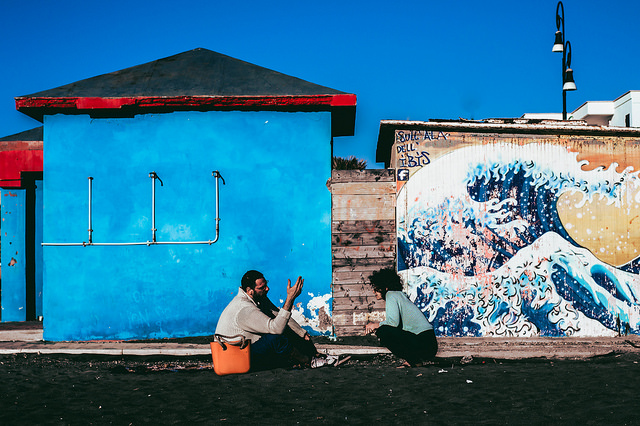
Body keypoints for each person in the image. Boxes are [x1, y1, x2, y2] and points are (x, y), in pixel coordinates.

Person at [215, 270, 336, 370]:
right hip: (236, 355)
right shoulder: (244, 309)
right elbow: (276, 328)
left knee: (285, 327)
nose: (267, 289)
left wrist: (302, 333)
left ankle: (315, 355)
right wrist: (290, 299)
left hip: (246, 348)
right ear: (249, 290)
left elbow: (278, 314)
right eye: (262, 287)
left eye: (266, 284)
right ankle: (310, 361)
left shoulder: (257, 298)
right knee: (276, 337)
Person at [365, 267, 438, 367]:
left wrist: (374, 325)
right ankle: (412, 361)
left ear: (385, 287)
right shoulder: (399, 295)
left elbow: (393, 323)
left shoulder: (391, 295)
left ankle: (414, 361)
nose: (374, 292)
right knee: (387, 330)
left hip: (423, 342)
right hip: (429, 343)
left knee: (384, 331)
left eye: (376, 288)